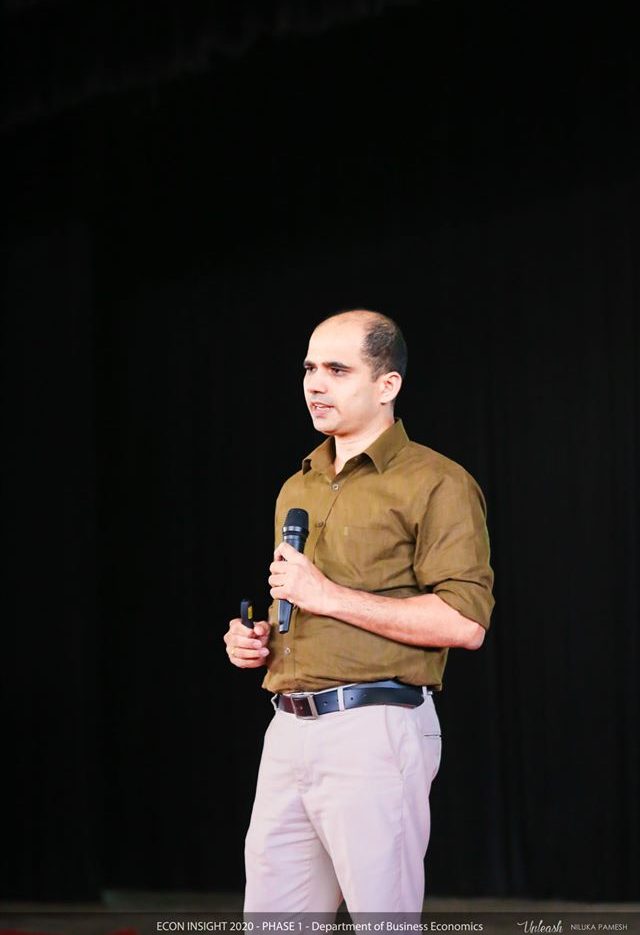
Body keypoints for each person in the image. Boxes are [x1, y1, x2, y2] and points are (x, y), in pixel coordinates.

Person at [223, 308, 495, 919]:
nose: (315, 384)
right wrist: (256, 640)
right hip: (288, 727)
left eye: (338, 370)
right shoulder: (299, 486)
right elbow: (302, 602)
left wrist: (327, 596)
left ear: (387, 384)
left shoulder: (437, 482)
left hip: (374, 730)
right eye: (309, 369)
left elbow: (465, 623)